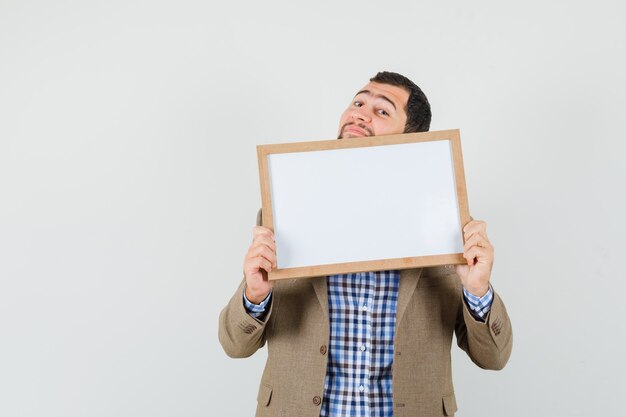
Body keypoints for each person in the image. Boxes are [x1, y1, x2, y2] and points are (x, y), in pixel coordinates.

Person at [219, 71, 512, 417]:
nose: (360, 112)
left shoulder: (445, 223)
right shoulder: (287, 209)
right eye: (358, 102)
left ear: (412, 139)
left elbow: (493, 357)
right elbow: (235, 345)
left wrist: (478, 291)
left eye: (382, 111)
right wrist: (255, 295)